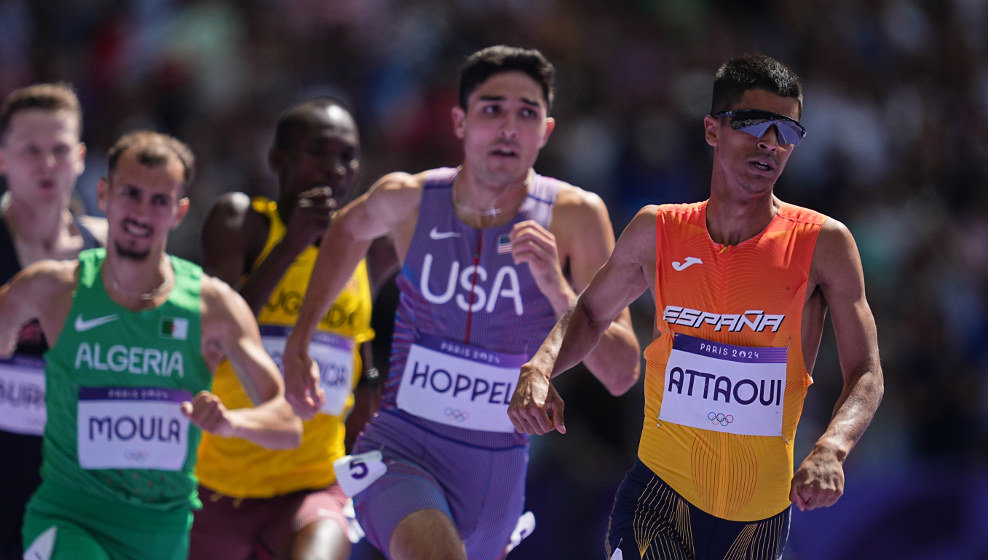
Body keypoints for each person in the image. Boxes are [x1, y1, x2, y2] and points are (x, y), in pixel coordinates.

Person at [508, 53, 885, 560]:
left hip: (759, 522)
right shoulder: (657, 230)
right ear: (712, 129)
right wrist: (541, 365)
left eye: (787, 132)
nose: (770, 144)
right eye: (754, 124)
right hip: (659, 501)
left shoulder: (824, 244)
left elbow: (866, 372)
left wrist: (831, 448)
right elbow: (594, 313)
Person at [282, 45, 641, 560]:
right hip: (401, 446)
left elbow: (622, 371)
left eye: (527, 113)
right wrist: (303, 338)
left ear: (546, 130)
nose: (509, 127)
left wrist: (556, 287)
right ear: (460, 121)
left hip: (498, 473)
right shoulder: (407, 198)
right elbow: (348, 229)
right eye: (492, 109)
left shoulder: (575, 216)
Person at [0, 130, 302, 560]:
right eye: (131, 194)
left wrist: (232, 423)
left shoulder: (212, 306)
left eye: (159, 201)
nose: (142, 212)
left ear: (179, 212)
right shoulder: (52, 288)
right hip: (69, 517)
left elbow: (287, 424)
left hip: (162, 532)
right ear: (103, 195)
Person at [191, 97, 393, 560]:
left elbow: (357, 353)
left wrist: (368, 382)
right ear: (277, 160)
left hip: (312, 482)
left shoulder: (369, 250)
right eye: (319, 152)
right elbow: (214, 336)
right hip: (216, 482)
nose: (335, 168)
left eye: (348, 157)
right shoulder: (241, 221)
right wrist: (292, 244)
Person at [0, 82, 107, 560]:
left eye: (60, 150)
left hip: (72, 477)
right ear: (3, 158)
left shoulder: (109, 255)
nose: (47, 164)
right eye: (31, 151)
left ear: (81, 156)